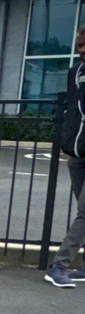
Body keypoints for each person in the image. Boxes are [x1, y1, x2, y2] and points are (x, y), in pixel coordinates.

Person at [46, 26, 85, 288]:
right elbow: (74, 110)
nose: (82, 51)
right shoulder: (76, 72)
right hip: (77, 151)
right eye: (80, 46)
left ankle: (60, 265)